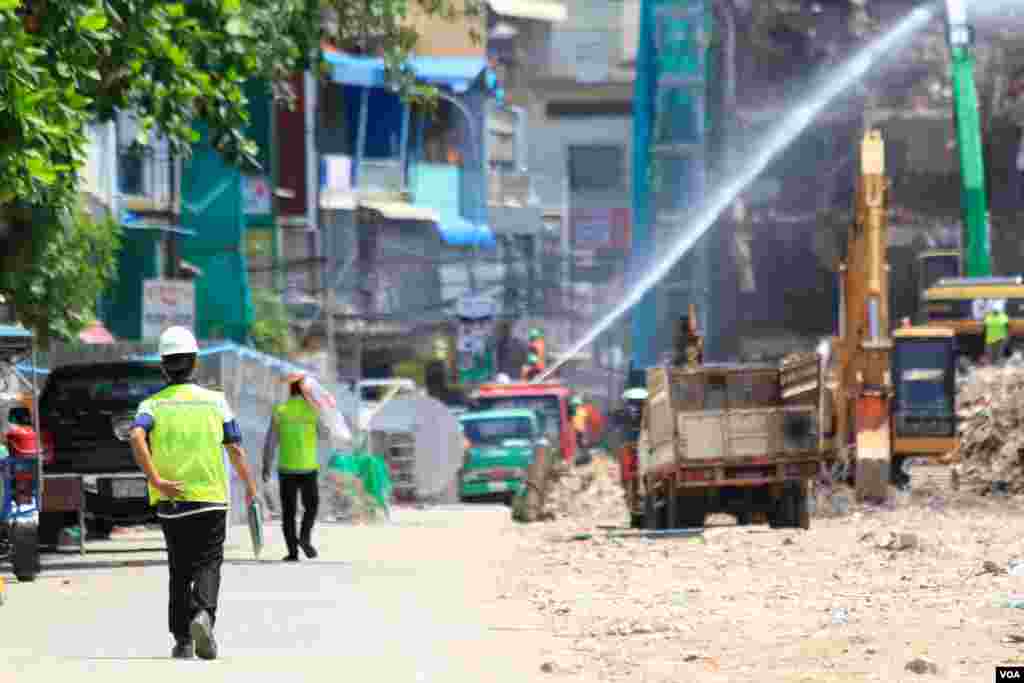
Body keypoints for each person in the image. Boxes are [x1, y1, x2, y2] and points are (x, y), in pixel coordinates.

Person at [129, 326, 258, 661]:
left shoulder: (152, 405)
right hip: (211, 499)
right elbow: (236, 448)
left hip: (172, 501)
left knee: (179, 568)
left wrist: (156, 480)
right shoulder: (216, 402)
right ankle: (203, 615)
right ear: (195, 363)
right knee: (209, 563)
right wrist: (251, 488)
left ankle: (182, 640)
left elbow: (136, 436)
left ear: (163, 365)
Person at [263, 373, 322, 562]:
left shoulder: (281, 411)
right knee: (311, 507)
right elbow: (326, 434)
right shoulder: (313, 411)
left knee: (288, 513)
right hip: (308, 468)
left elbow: (270, 442)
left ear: (290, 389)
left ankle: (293, 552)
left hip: (286, 469)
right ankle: (304, 537)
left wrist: (266, 465)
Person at [984, 300, 1010, 365]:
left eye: (997, 311)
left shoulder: (1003, 316)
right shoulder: (989, 316)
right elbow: (985, 327)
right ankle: (993, 368)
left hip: (1000, 339)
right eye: (995, 311)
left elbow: (1007, 327)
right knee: (991, 356)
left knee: (998, 355)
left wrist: (1007, 336)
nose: (996, 312)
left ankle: (997, 368)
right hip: (990, 339)